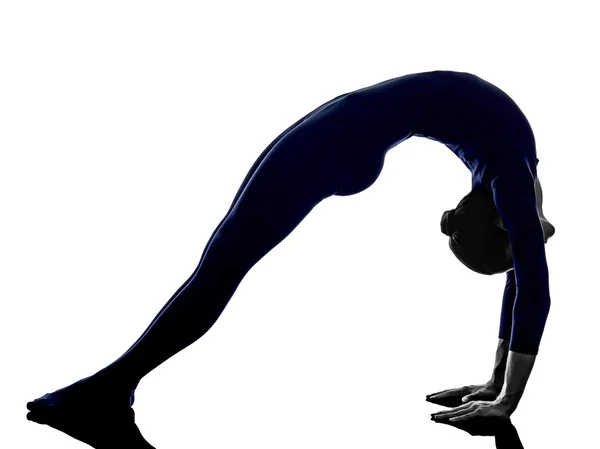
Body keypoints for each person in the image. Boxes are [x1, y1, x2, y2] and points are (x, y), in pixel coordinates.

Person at [26, 70, 555, 448]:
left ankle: (108, 392)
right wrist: (499, 390)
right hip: (348, 134)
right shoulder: (512, 180)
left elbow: (526, 280)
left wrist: (502, 392)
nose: (450, 215)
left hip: (344, 133)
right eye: (459, 226)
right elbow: (528, 282)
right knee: (221, 266)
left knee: (220, 268)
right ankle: (109, 389)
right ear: (501, 226)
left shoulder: (511, 180)